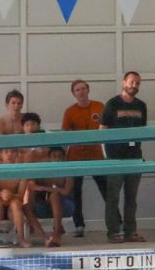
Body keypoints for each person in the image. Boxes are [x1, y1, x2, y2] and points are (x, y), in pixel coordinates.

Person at [101, 71, 148, 243]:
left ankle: (130, 232)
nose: (134, 85)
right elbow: (102, 131)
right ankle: (113, 232)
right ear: (123, 83)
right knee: (113, 197)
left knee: (131, 198)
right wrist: (107, 156)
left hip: (134, 157)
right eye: (131, 82)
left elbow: (142, 131)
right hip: (115, 158)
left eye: (137, 83)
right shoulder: (112, 104)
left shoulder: (141, 106)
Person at [61, 79, 106, 238]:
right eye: (77, 90)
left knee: (107, 191)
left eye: (83, 88)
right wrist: (63, 160)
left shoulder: (99, 107)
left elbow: (107, 129)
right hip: (76, 157)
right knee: (76, 193)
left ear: (88, 89)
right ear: (73, 93)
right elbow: (65, 136)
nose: (81, 92)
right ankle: (79, 225)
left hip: (96, 156)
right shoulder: (69, 112)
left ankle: (115, 222)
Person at [31, 146, 76, 248]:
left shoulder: (68, 171)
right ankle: (51, 232)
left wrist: (46, 188)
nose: (57, 159)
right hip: (44, 207)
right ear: (49, 158)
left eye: (60, 156)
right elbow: (34, 187)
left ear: (64, 158)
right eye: (54, 156)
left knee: (55, 196)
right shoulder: (43, 171)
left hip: (65, 206)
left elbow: (66, 192)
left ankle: (56, 233)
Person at [0, 148, 31, 249]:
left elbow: (21, 196)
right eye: (6, 151)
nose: (9, 154)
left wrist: (11, 195)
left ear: (17, 154)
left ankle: (21, 239)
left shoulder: (21, 170)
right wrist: (0, 194)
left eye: (13, 151)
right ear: (1, 153)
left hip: (13, 204)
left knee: (15, 203)